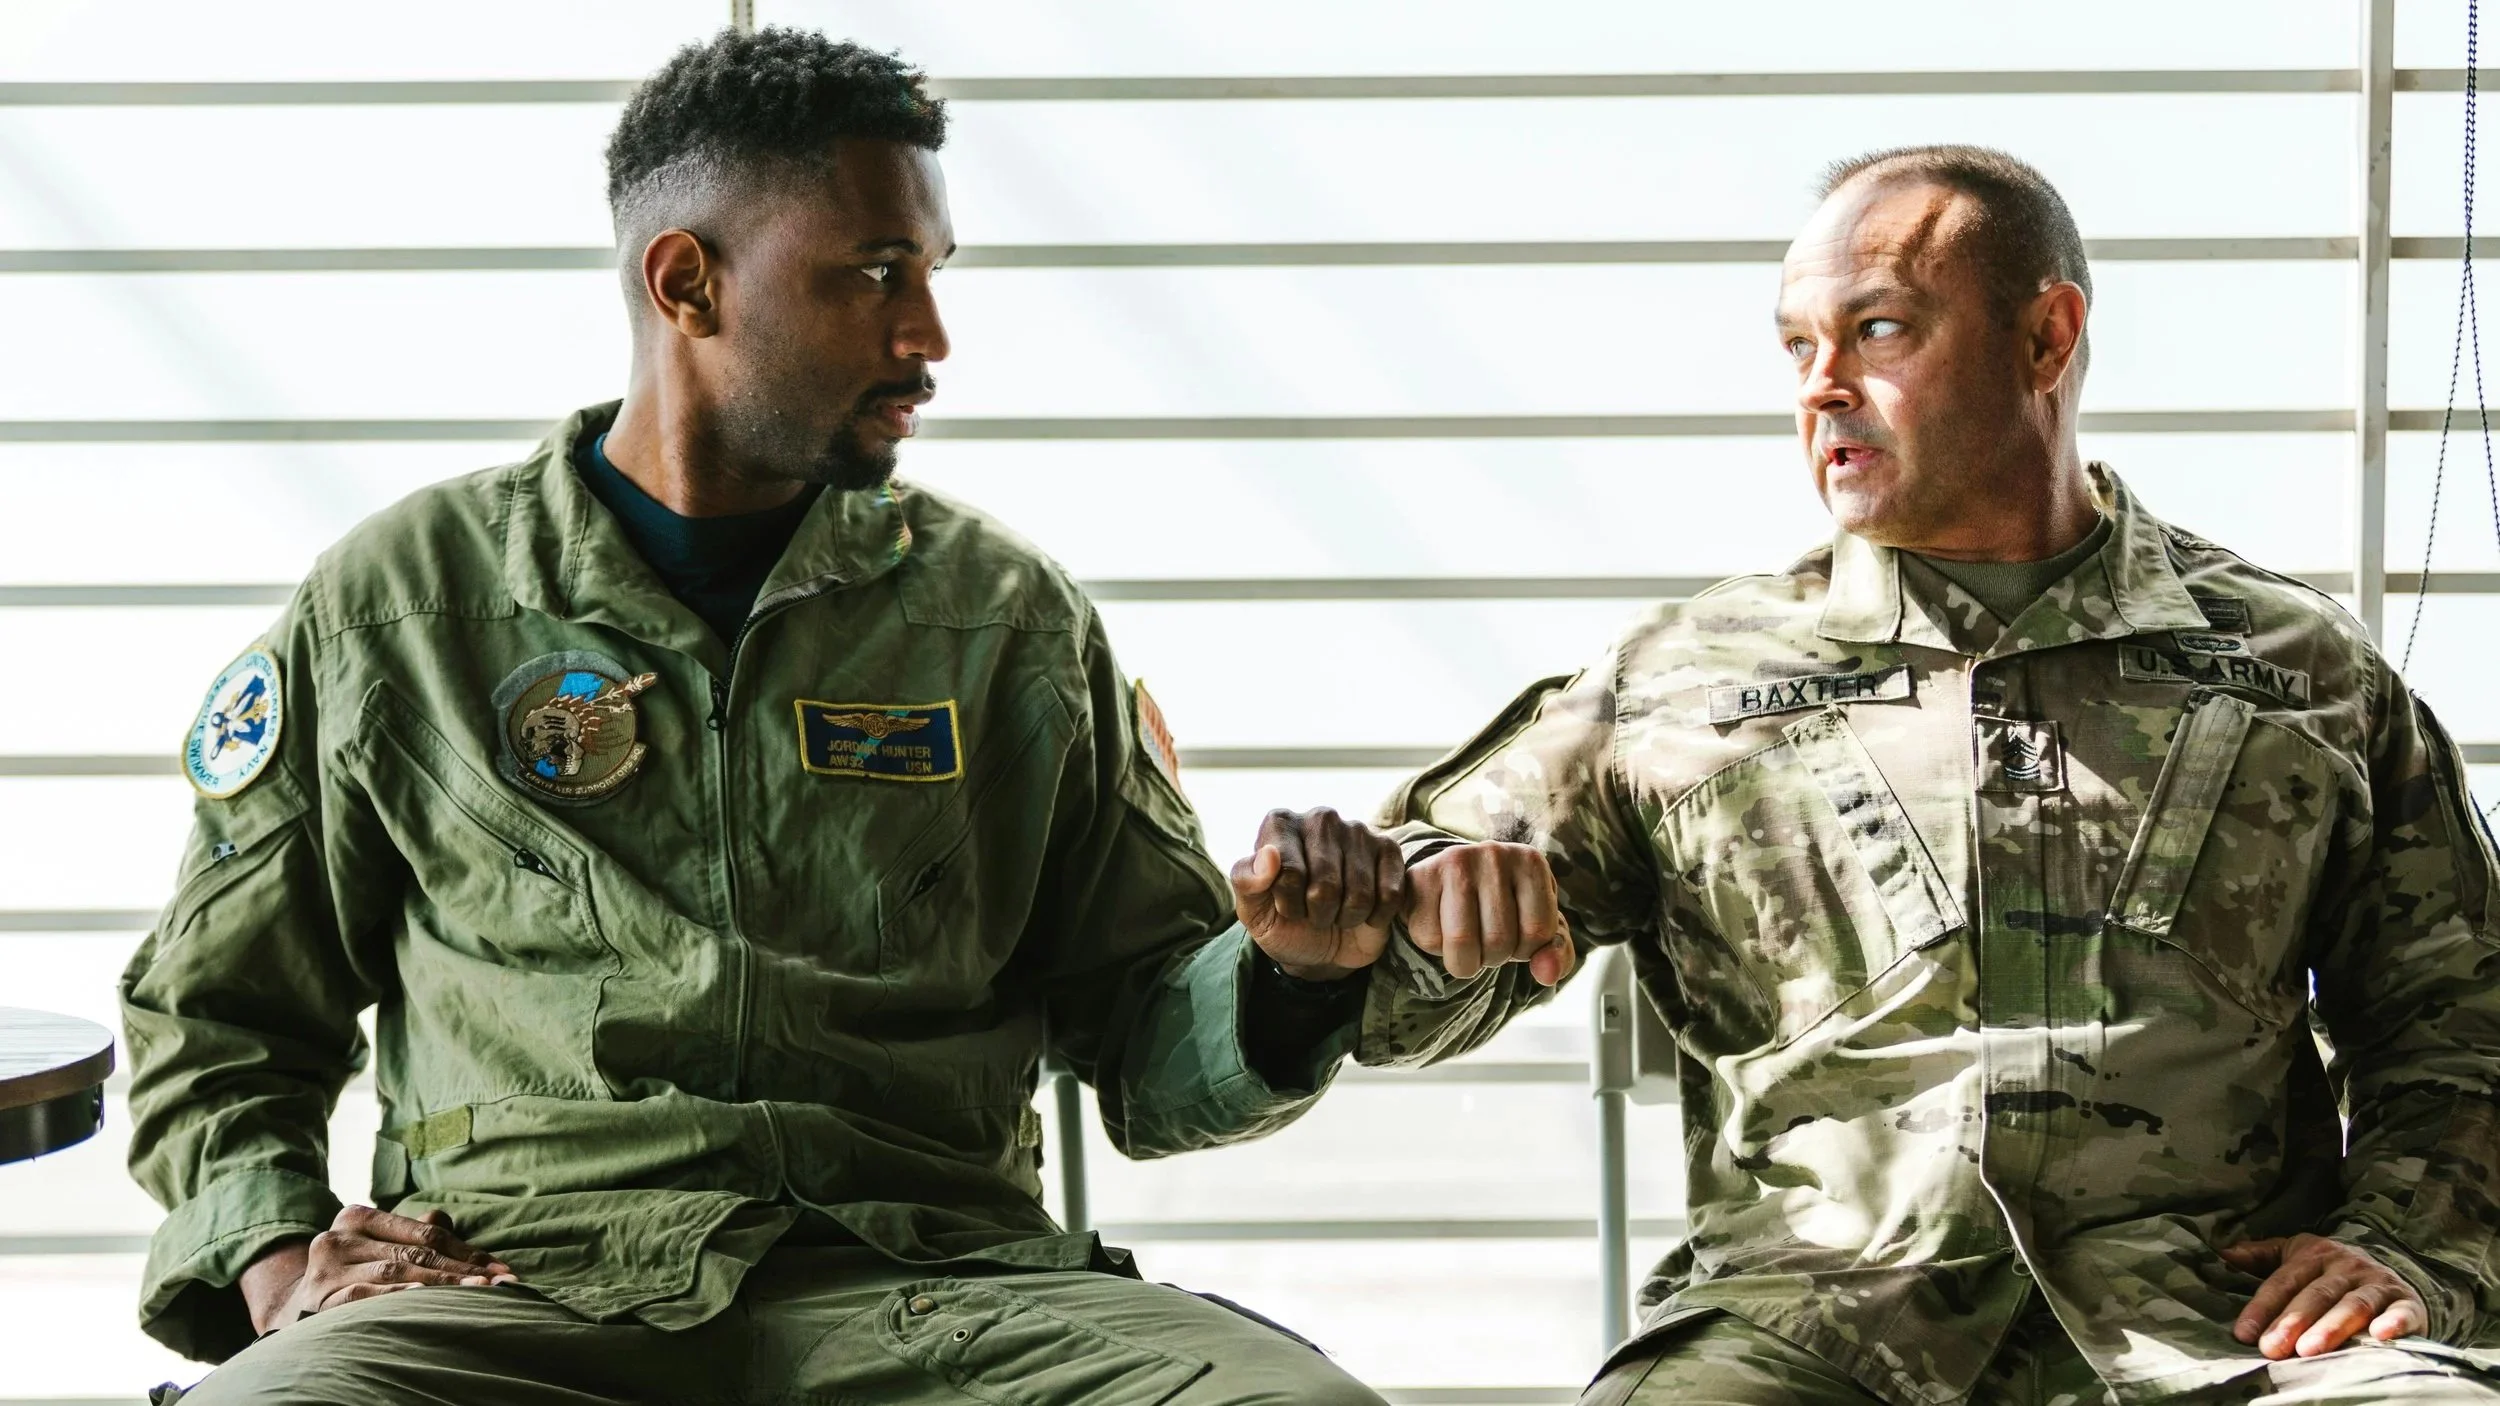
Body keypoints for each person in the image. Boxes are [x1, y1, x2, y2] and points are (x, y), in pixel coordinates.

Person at [122, 28, 1502, 1404]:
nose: (930, 338)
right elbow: (221, 1014)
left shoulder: (1001, 620)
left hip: (938, 1288)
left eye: (933, 278)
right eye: (876, 273)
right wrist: (281, 1263)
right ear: (688, 282)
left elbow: (1146, 1042)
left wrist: (1290, 975)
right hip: (515, 1289)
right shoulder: (401, 607)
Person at [1335, 146, 2500, 1403]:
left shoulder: (2297, 669)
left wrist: (2408, 1247)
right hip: (1810, 1333)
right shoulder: (1680, 682)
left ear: (2047, 337)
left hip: (2223, 1334)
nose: (1823, 388)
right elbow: (1406, 967)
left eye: (1876, 331)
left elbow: (2462, 1020)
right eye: (1796, 348)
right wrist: (1367, 927)